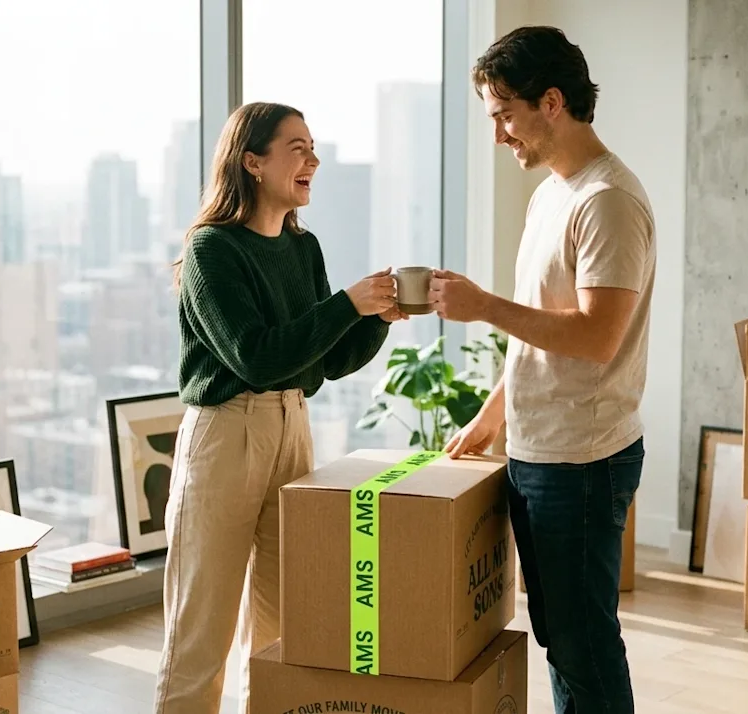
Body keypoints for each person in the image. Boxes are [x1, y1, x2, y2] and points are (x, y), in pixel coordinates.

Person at [431, 26, 656, 714]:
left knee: (584, 643)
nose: (498, 133)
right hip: (538, 450)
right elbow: (543, 325)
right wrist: (492, 415)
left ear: (551, 101)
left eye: (504, 112)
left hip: (582, 461)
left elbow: (595, 337)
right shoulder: (552, 194)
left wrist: (481, 306)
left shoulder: (606, 201)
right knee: (562, 637)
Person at [155, 101, 405, 714]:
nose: (313, 159)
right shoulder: (212, 249)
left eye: (313, 147)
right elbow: (257, 357)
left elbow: (323, 362)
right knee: (202, 623)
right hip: (226, 433)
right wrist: (347, 304)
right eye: (298, 147)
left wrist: (375, 319)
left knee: (280, 622)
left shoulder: (303, 248)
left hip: (293, 424)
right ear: (253, 162)